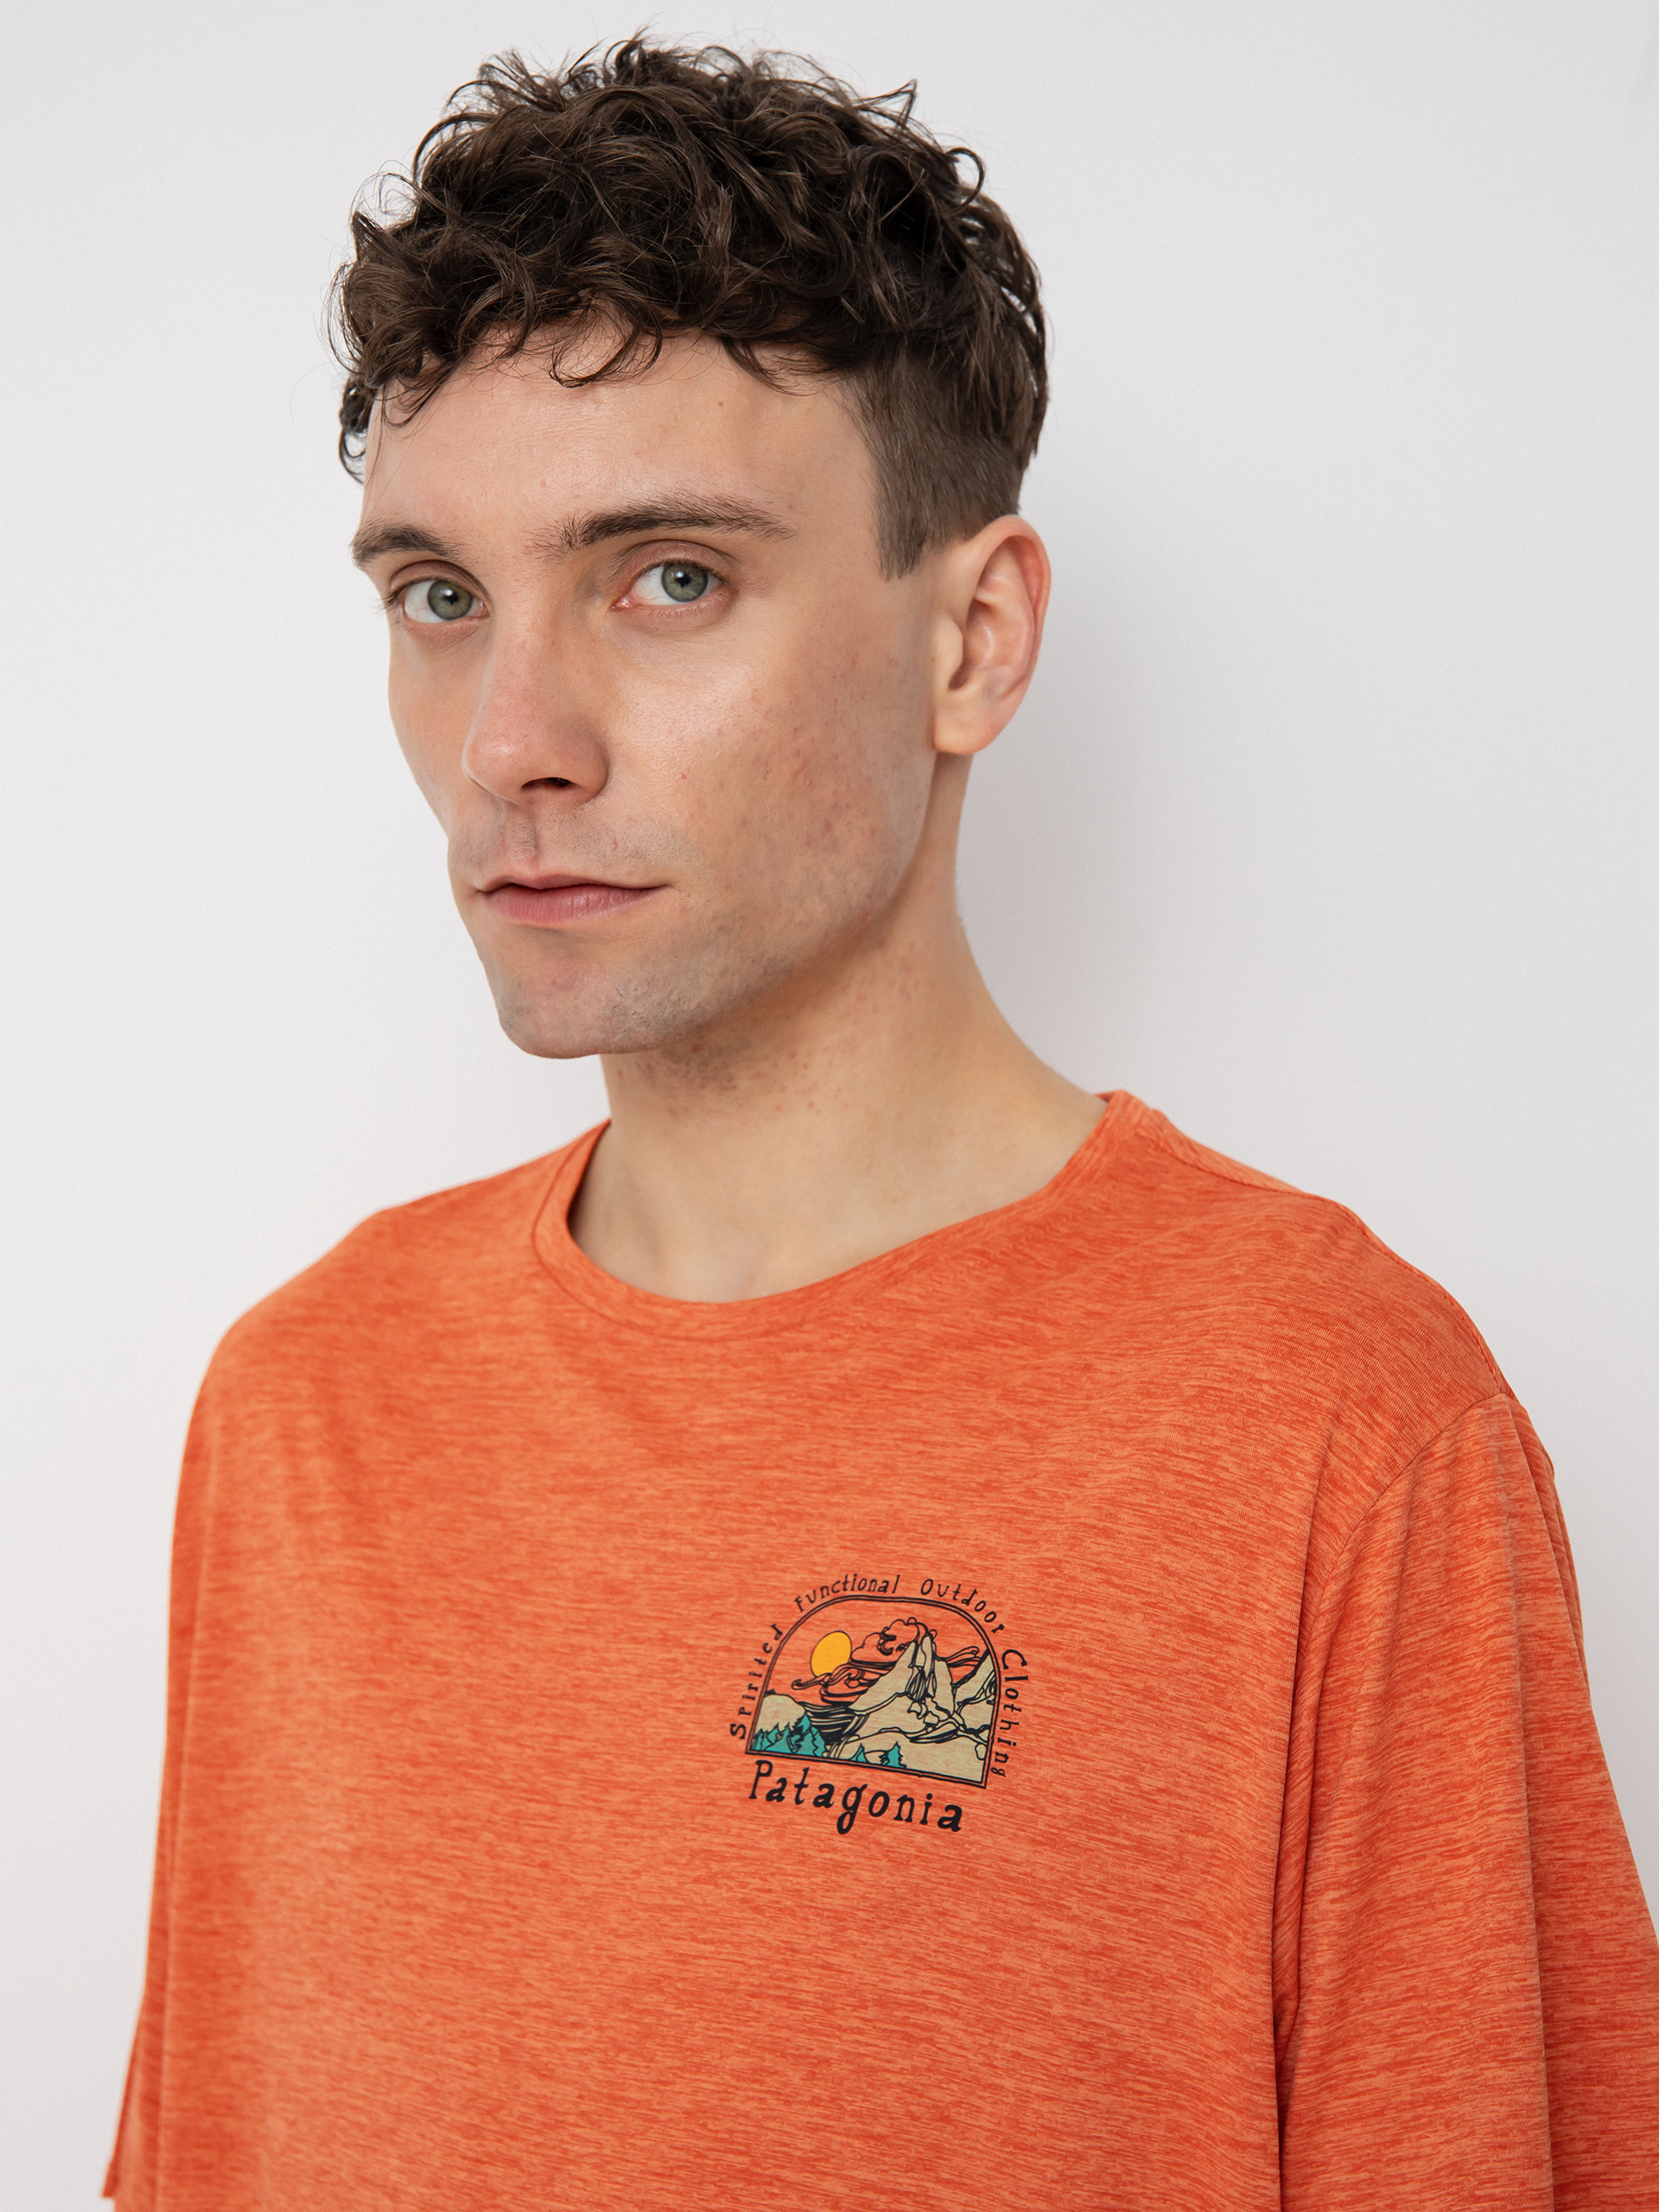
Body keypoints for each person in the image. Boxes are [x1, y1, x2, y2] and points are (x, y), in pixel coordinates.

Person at [106, 38, 1658, 2211]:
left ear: (976, 642)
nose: (511, 740)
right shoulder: (305, 1405)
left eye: (669, 575)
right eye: (440, 595)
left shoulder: (1336, 1423)